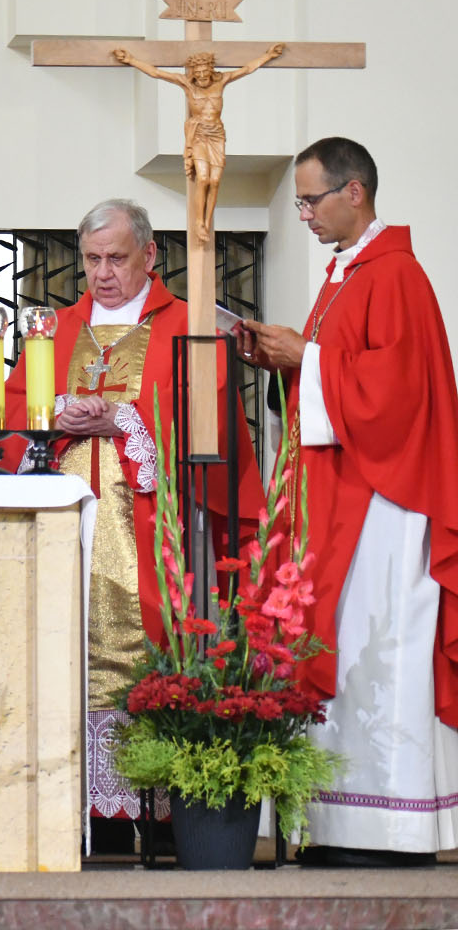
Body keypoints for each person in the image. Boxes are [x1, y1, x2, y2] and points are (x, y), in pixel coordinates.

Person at [2, 198, 263, 852]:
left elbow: (208, 422)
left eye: (117, 258)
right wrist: (52, 416)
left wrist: (123, 418)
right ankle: (82, 818)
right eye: (92, 260)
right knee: (62, 647)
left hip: (151, 529)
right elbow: (14, 409)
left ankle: (161, 817)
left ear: (149, 255)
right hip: (67, 529)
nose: (103, 273)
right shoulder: (57, 328)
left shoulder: (184, 326)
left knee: (153, 647)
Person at [238, 137, 458, 866]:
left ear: (354, 192)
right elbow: (333, 383)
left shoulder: (395, 275)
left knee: (378, 649)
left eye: (311, 200)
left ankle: (388, 830)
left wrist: (305, 358)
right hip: (340, 496)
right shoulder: (345, 275)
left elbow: (398, 393)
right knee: (333, 639)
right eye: (299, 202)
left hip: (388, 504)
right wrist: (283, 363)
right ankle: (331, 825)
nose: (303, 213)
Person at [113, 44, 285, 241]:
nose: (202, 76)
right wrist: (131, 60)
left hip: (217, 135)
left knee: (215, 180)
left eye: (205, 71)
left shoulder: (222, 81)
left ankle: (207, 221)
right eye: (198, 72)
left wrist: (268, 56)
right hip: (199, 135)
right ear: (193, 73)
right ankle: (199, 223)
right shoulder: (187, 85)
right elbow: (156, 73)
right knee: (203, 178)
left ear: (211, 70)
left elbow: (246, 69)